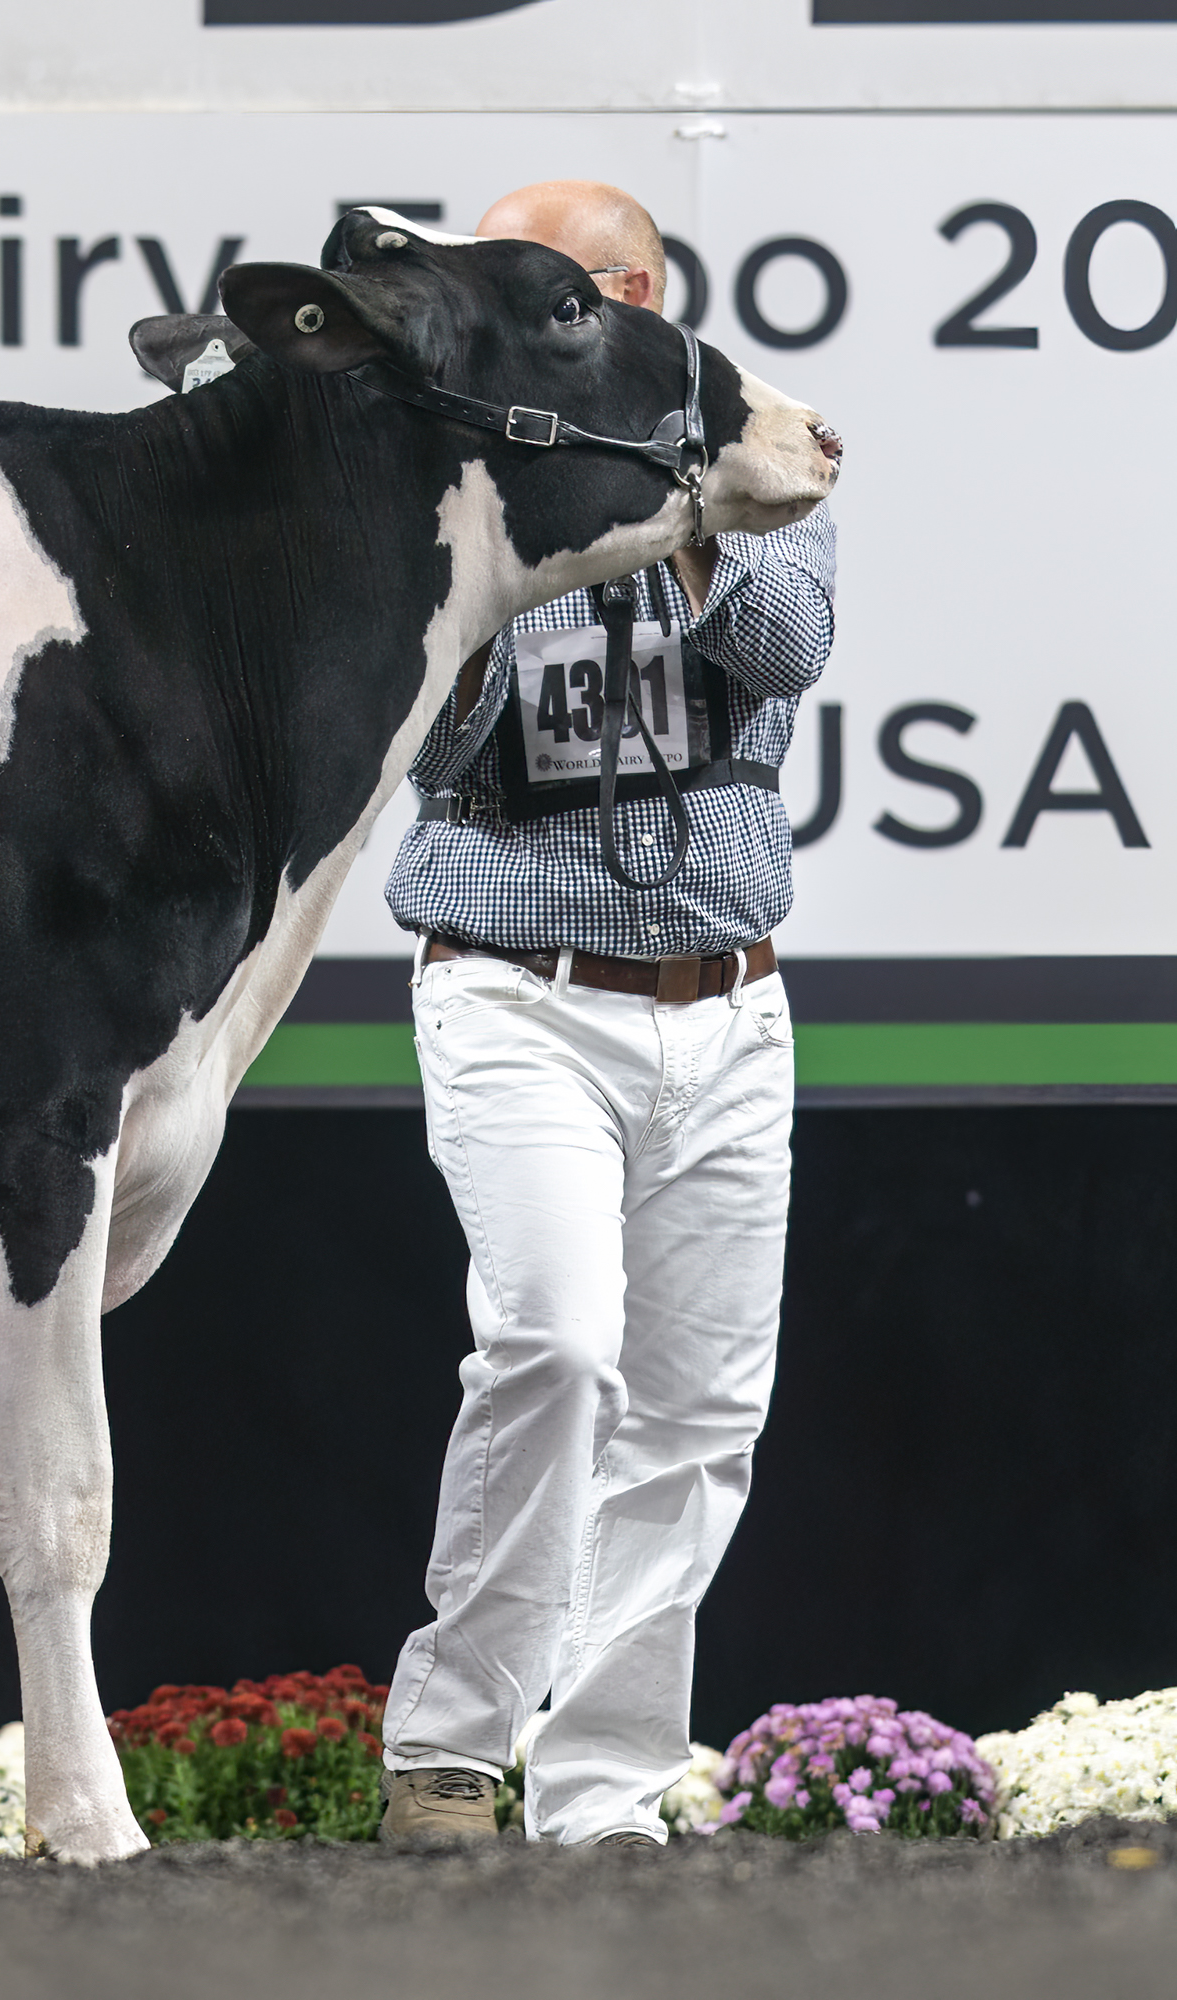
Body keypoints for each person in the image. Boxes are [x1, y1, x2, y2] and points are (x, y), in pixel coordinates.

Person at [375, 181, 843, 1848]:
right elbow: (430, 747)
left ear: (633, 297)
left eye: (545, 284)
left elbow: (788, 647)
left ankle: (603, 1785)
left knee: (700, 1412)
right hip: (518, 989)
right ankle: (453, 1743)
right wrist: (517, 553)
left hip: (728, 1001)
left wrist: (685, 505)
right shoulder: (467, 465)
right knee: (557, 1345)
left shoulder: (757, 442)